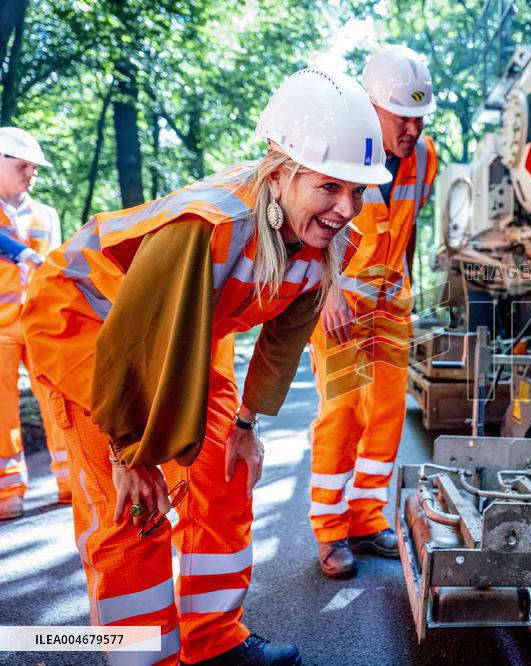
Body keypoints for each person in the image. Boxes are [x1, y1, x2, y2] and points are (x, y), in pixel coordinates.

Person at [21, 69, 390, 665]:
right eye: (329, 187)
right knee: (133, 512)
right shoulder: (210, 228)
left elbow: (281, 341)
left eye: (358, 191)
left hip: (180, 336)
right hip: (88, 328)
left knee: (225, 475)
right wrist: (129, 454)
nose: (346, 208)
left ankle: (215, 644)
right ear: (280, 173)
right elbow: (135, 347)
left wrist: (244, 429)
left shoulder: (317, 244)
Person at [308, 45, 438, 579]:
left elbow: (407, 233)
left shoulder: (424, 157)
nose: (412, 127)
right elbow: (306, 230)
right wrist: (326, 293)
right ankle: (330, 531)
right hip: (339, 305)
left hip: (391, 308)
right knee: (343, 413)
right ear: (369, 105)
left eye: (419, 116)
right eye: (401, 116)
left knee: (386, 413)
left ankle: (366, 516)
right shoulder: (334, 150)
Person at [0, 127, 71, 520]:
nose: (31, 174)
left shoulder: (47, 215)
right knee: (1, 412)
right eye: (23, 165)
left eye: (35, 168)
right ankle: (7, 493)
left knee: (60, 403)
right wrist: (21, 253)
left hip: (43, 325)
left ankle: (71, 482)